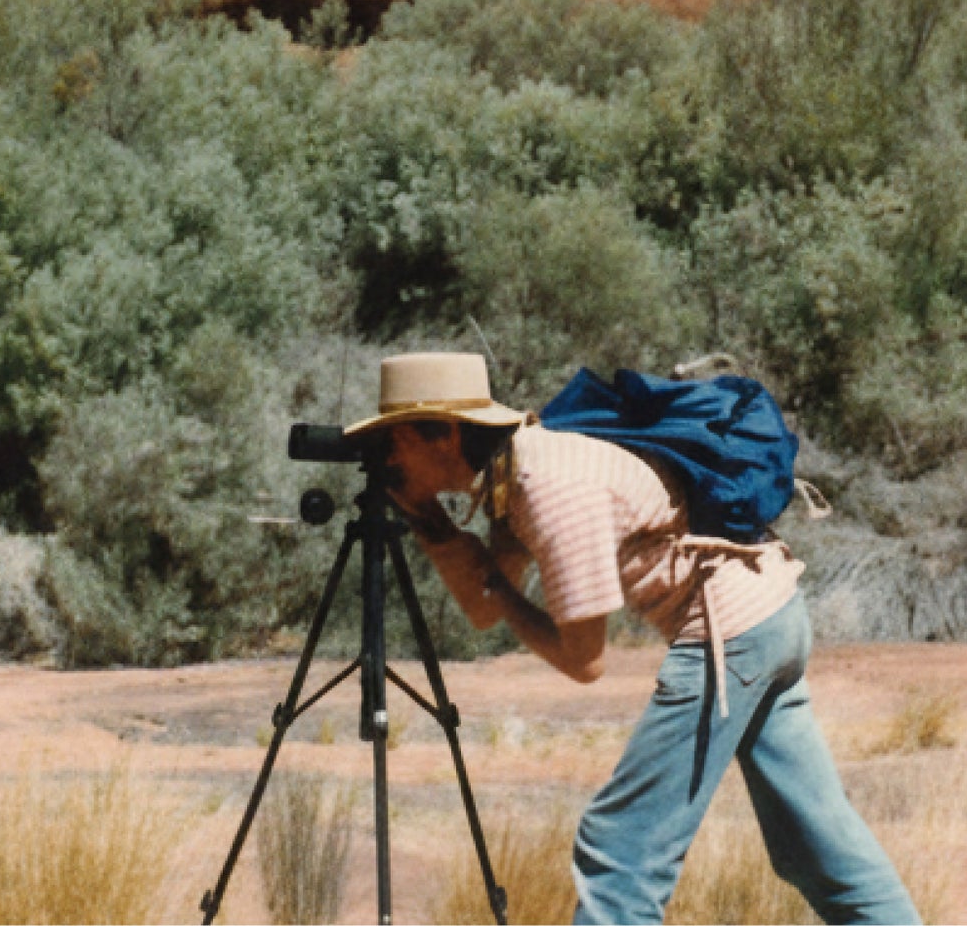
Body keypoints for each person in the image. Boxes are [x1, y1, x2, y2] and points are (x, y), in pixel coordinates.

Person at [344, 352, 920, 926]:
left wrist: (495, 583)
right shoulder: (517, 467)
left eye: (390, 443)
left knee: (619, 849)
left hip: (731, 634)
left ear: (442, 434)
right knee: (816, 846)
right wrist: (428, 520)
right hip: (772, 619)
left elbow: (584, 661)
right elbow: (486, 610)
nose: (385, 459)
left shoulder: (547, 488)